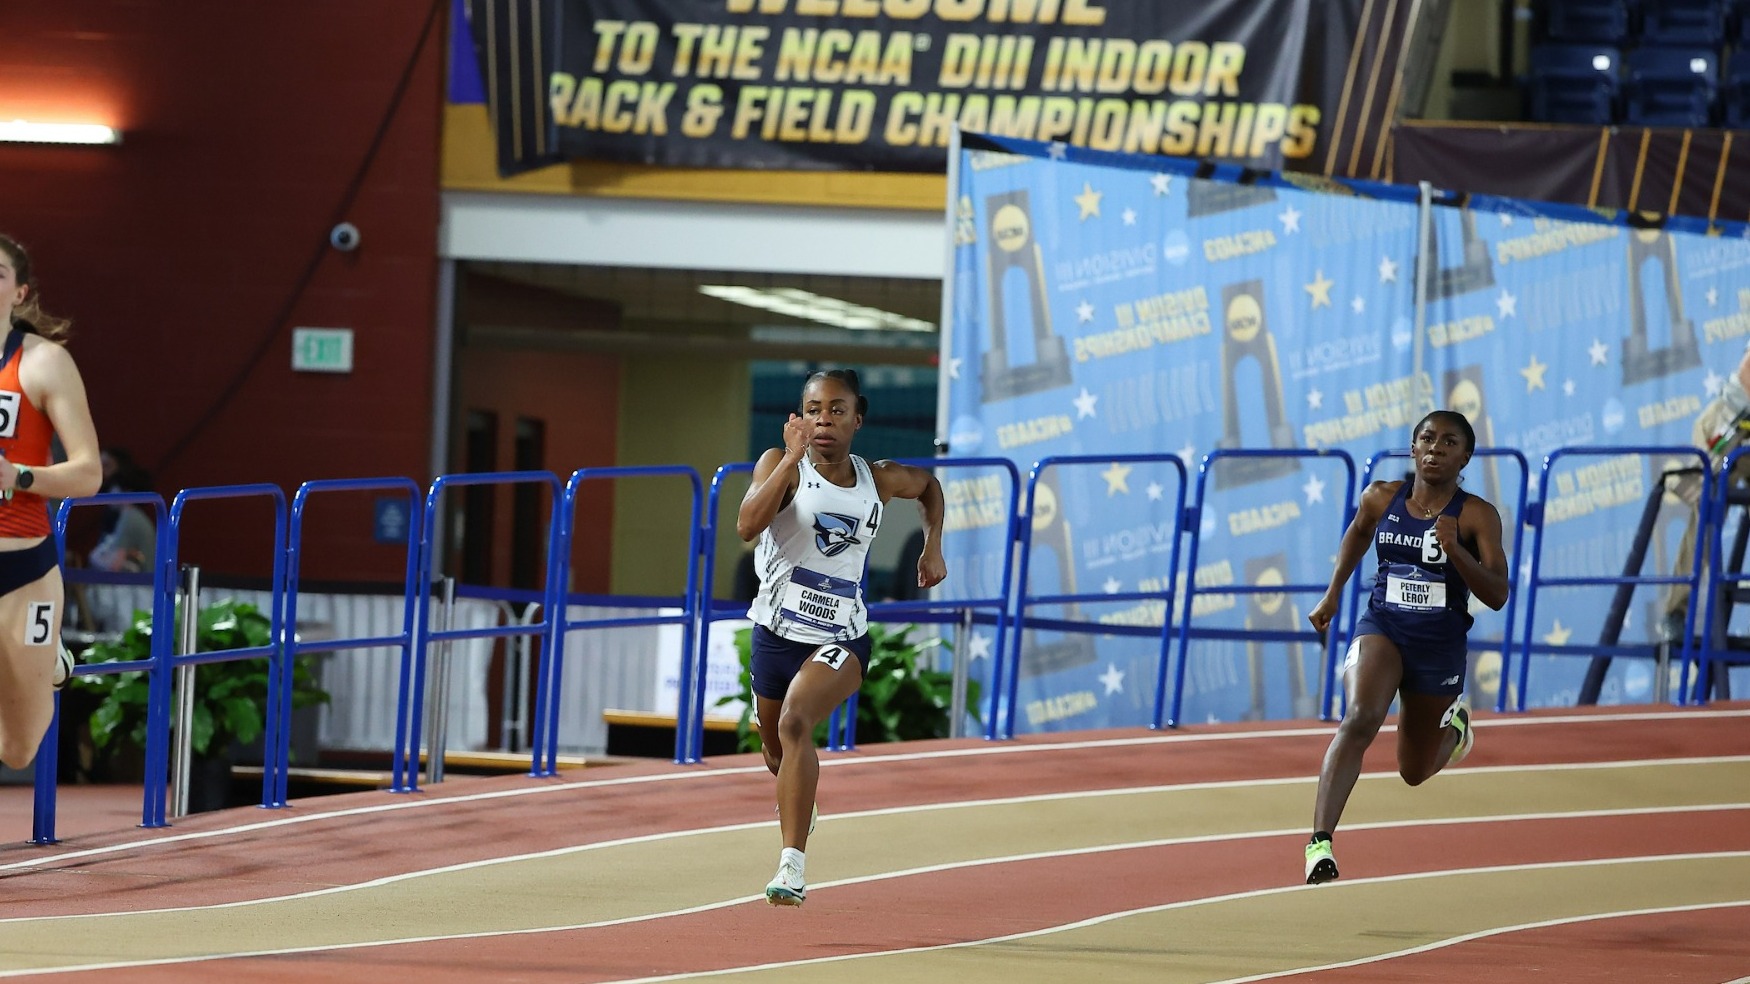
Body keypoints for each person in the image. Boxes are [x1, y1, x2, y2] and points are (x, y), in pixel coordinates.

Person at [737, 368, 945, 906]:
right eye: (812, 410)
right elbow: (746, 526)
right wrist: (787, 460)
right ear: (799, 417)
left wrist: (931, 547)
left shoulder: (879, 479)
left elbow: (929, 487)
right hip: (776, 632)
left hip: (841, 635)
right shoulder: (780, 465)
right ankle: (799, 801)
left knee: (796, 721)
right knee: (774, 746)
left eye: (835, 409)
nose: (823, 420)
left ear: (858, 418)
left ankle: (792, 868)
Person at [1303, 409, 1508, 885]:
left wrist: (1456, 550)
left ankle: (1455, 729)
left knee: (1413, 772)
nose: (1436, 448)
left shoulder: (1477, 515)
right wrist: (1333, 594)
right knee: (1359, 717)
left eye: (1449, 442)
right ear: (1412, 448)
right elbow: (1357, 534)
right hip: (1384, 628)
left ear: (1465, 457)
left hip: (1438, 646)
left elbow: (1497, 595)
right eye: (1427, 439)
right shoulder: (1381, 497)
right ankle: (1319, 844)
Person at [0, 234, 103, 769]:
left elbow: (88, 475)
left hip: (23, 568)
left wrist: (15, 475)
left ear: (19, 293)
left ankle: (51, 659)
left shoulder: (43, 364)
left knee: (18, 750)